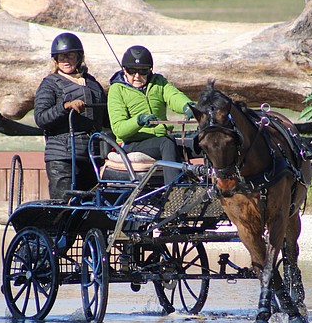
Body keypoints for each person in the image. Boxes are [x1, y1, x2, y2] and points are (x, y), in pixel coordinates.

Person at [34, 32, 109, 200]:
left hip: (92, 156)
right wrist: (65, 107)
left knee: (91, 210)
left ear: (79, 57)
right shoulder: (50, 84)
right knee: (64, 206)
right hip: (63, 157)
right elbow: (40, 118)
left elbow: (106, 120)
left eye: (70, 55)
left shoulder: (93, 84)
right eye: (61, 57)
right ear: (55, 60)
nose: (66, 60)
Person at [107, 45, 194, 184]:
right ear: (124, 70)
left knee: (201, 142)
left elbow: (174, 96)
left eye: (143, 71)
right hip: (132, 142)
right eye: (132, 71)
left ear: (150, 70)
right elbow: (119, 129)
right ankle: (173, 192)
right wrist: (139, 121)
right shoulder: (117, 90)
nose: (137, 76)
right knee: (166, 143)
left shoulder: (158, 82)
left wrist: (187, 106)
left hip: (161, 138)